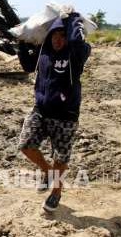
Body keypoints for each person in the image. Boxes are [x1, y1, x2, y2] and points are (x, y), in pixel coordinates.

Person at [17, 12, 91, 212]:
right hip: (41, 110)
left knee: (61, 157)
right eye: (54, 35)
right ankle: (46, 171)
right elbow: (27, 66)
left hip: (66, 115)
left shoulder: (77, 54)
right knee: (25, 144)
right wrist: (22, 43)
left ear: (69, 35)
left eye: (62, 35)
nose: (58, 40)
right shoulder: (44, 52)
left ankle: (56, 192)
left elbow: (77, 41)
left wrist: (73, 19)